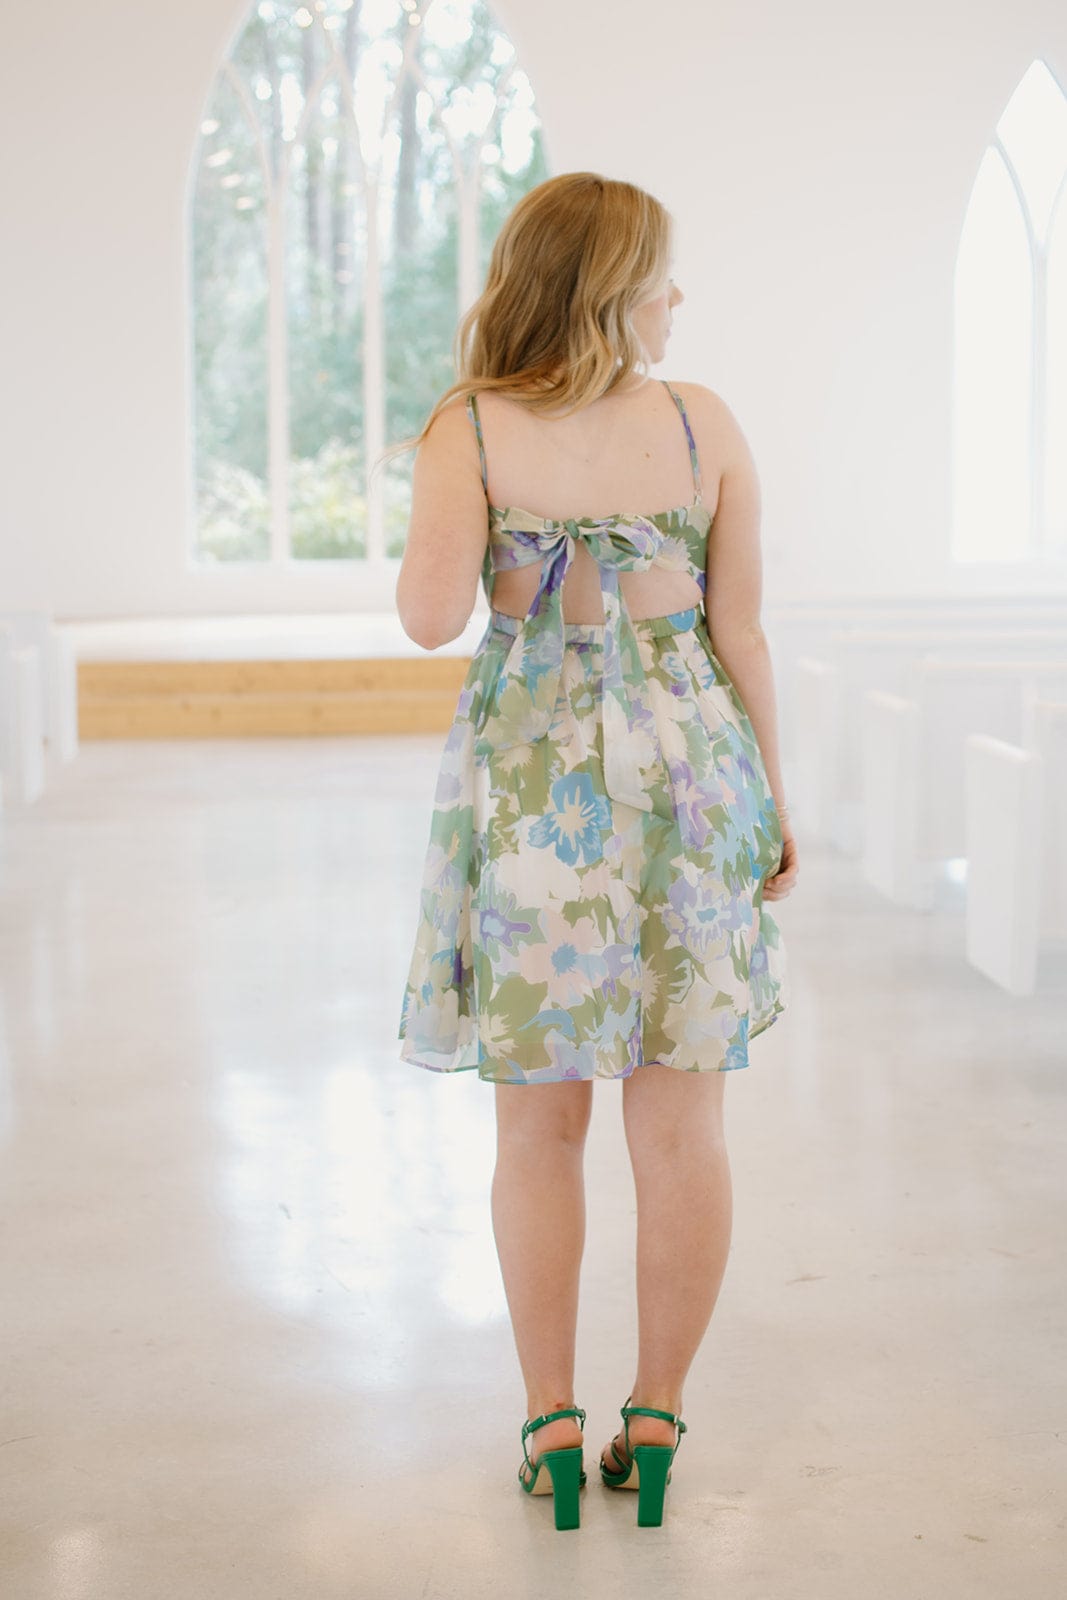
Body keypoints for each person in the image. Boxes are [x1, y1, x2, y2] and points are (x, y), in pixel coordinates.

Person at [395, 171, 799, 1530]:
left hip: (536, 790)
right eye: (663, 278)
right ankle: (659, 1421)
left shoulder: (469, 425)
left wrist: (475, 514)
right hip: (694, 776)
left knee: (540, 1125)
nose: (678, 301)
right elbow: (740, 637)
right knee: (683, 1125)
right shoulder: (706, 426)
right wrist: (777, 805)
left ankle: (552, 1429)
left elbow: (428, 616)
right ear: (612, 292)